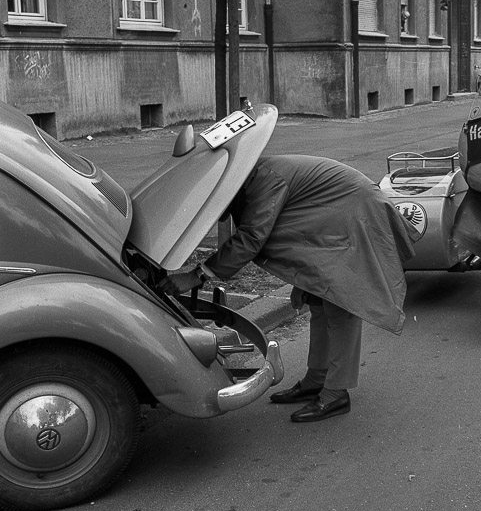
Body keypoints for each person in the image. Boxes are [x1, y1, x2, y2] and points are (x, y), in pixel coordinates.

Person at [160, 154, 419, 422]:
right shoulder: (255, 176)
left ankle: (336, 392)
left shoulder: (264, 180)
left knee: (342, 305)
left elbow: (252, 238)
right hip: (334, 217)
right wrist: (303, 282)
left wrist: (196, 275)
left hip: (354, 215)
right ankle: (317, 379)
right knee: (319, 303)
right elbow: (294, 233)